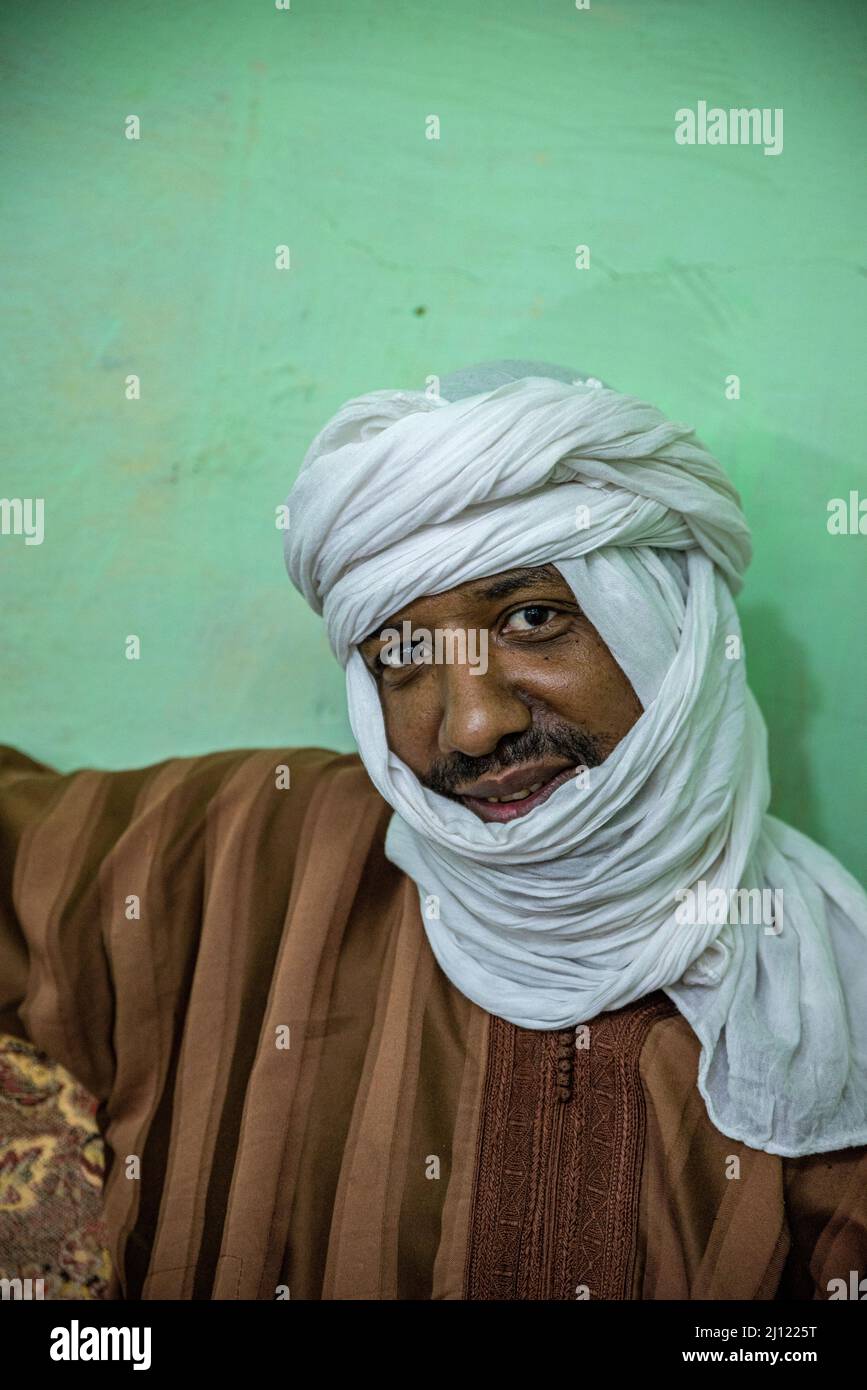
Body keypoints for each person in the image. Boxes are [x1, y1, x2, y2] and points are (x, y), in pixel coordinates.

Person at [1, 360, 866, 1301]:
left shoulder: (822, 1008)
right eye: (403, 656)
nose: (470, 727)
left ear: (673, 631)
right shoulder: (244, 854)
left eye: (531, 619)